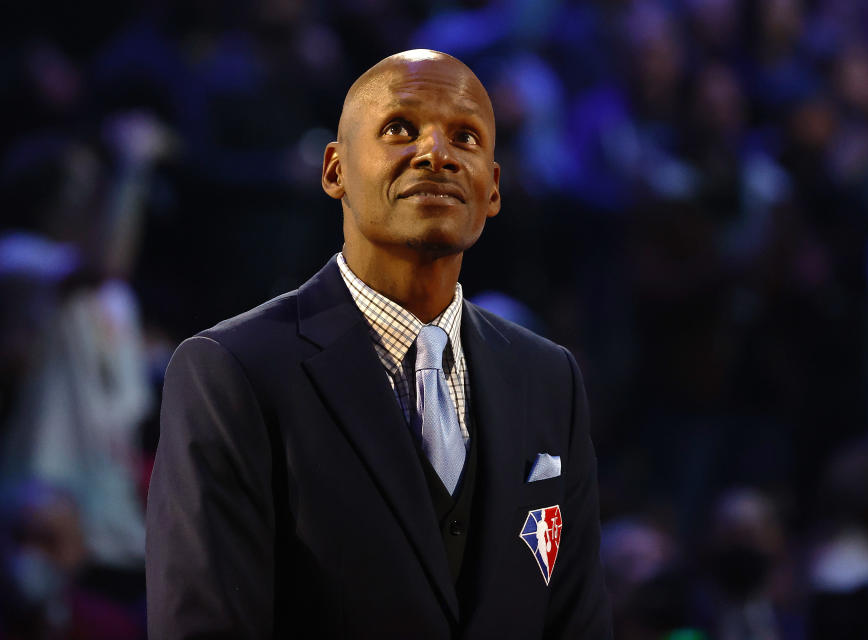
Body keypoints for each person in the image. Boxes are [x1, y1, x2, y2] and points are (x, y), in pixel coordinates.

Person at [145, 49, 611, 638]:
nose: (435, 153)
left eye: (465, 137)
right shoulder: (230, 370)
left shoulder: (551, 377)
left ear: (492, 189)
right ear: (335, 170)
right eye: (400, 129)